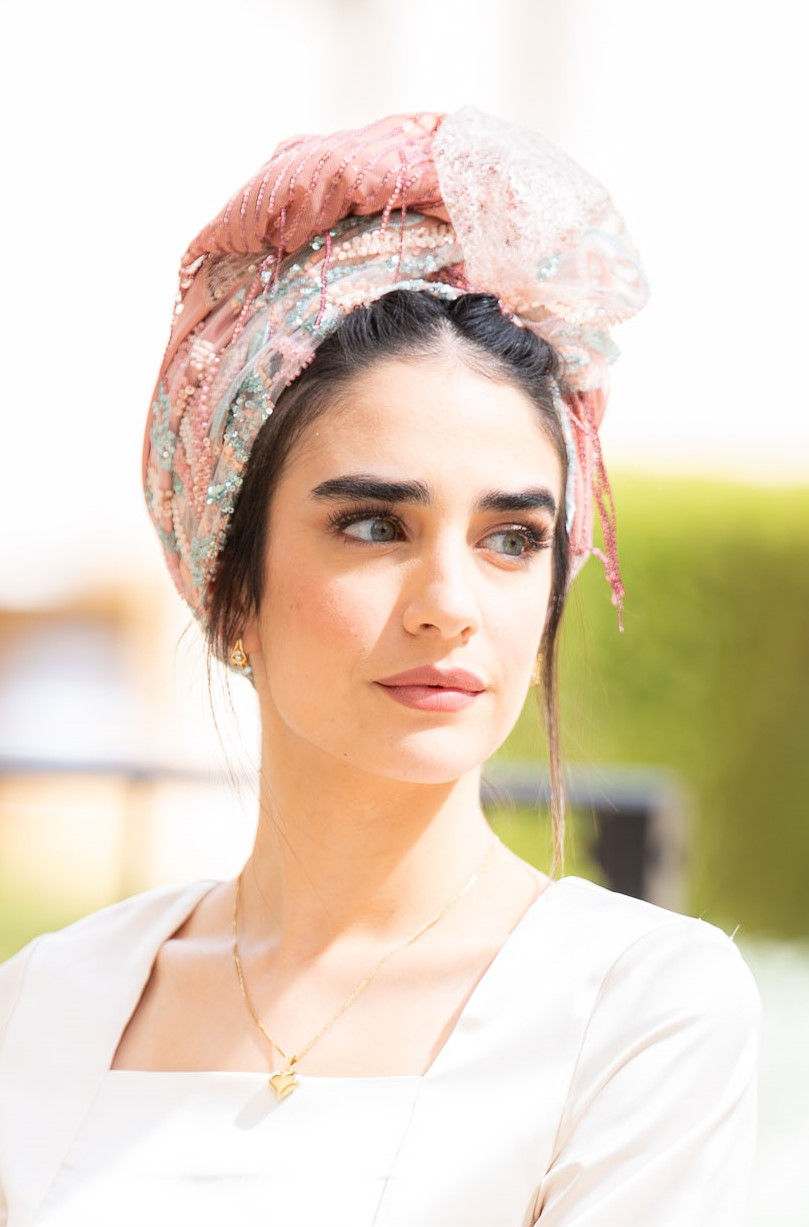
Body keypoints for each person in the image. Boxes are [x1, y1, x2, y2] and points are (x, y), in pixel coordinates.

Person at [0, 107, 760, 1226]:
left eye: (511, 539)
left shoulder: (637, 1010)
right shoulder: (50, 1005)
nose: (449, 604)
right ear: (231, 580)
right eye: (373, 525)